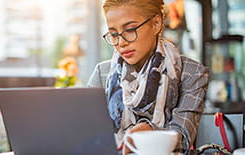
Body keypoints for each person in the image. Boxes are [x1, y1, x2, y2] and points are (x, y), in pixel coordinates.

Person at [87, 0, 209, 154]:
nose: (121, 42)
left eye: (130, 29)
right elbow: (86, 133)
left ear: (156, 23)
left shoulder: (192, 73)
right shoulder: (101, 73)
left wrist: (149, 131)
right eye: (113, 34)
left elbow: (182, 138)